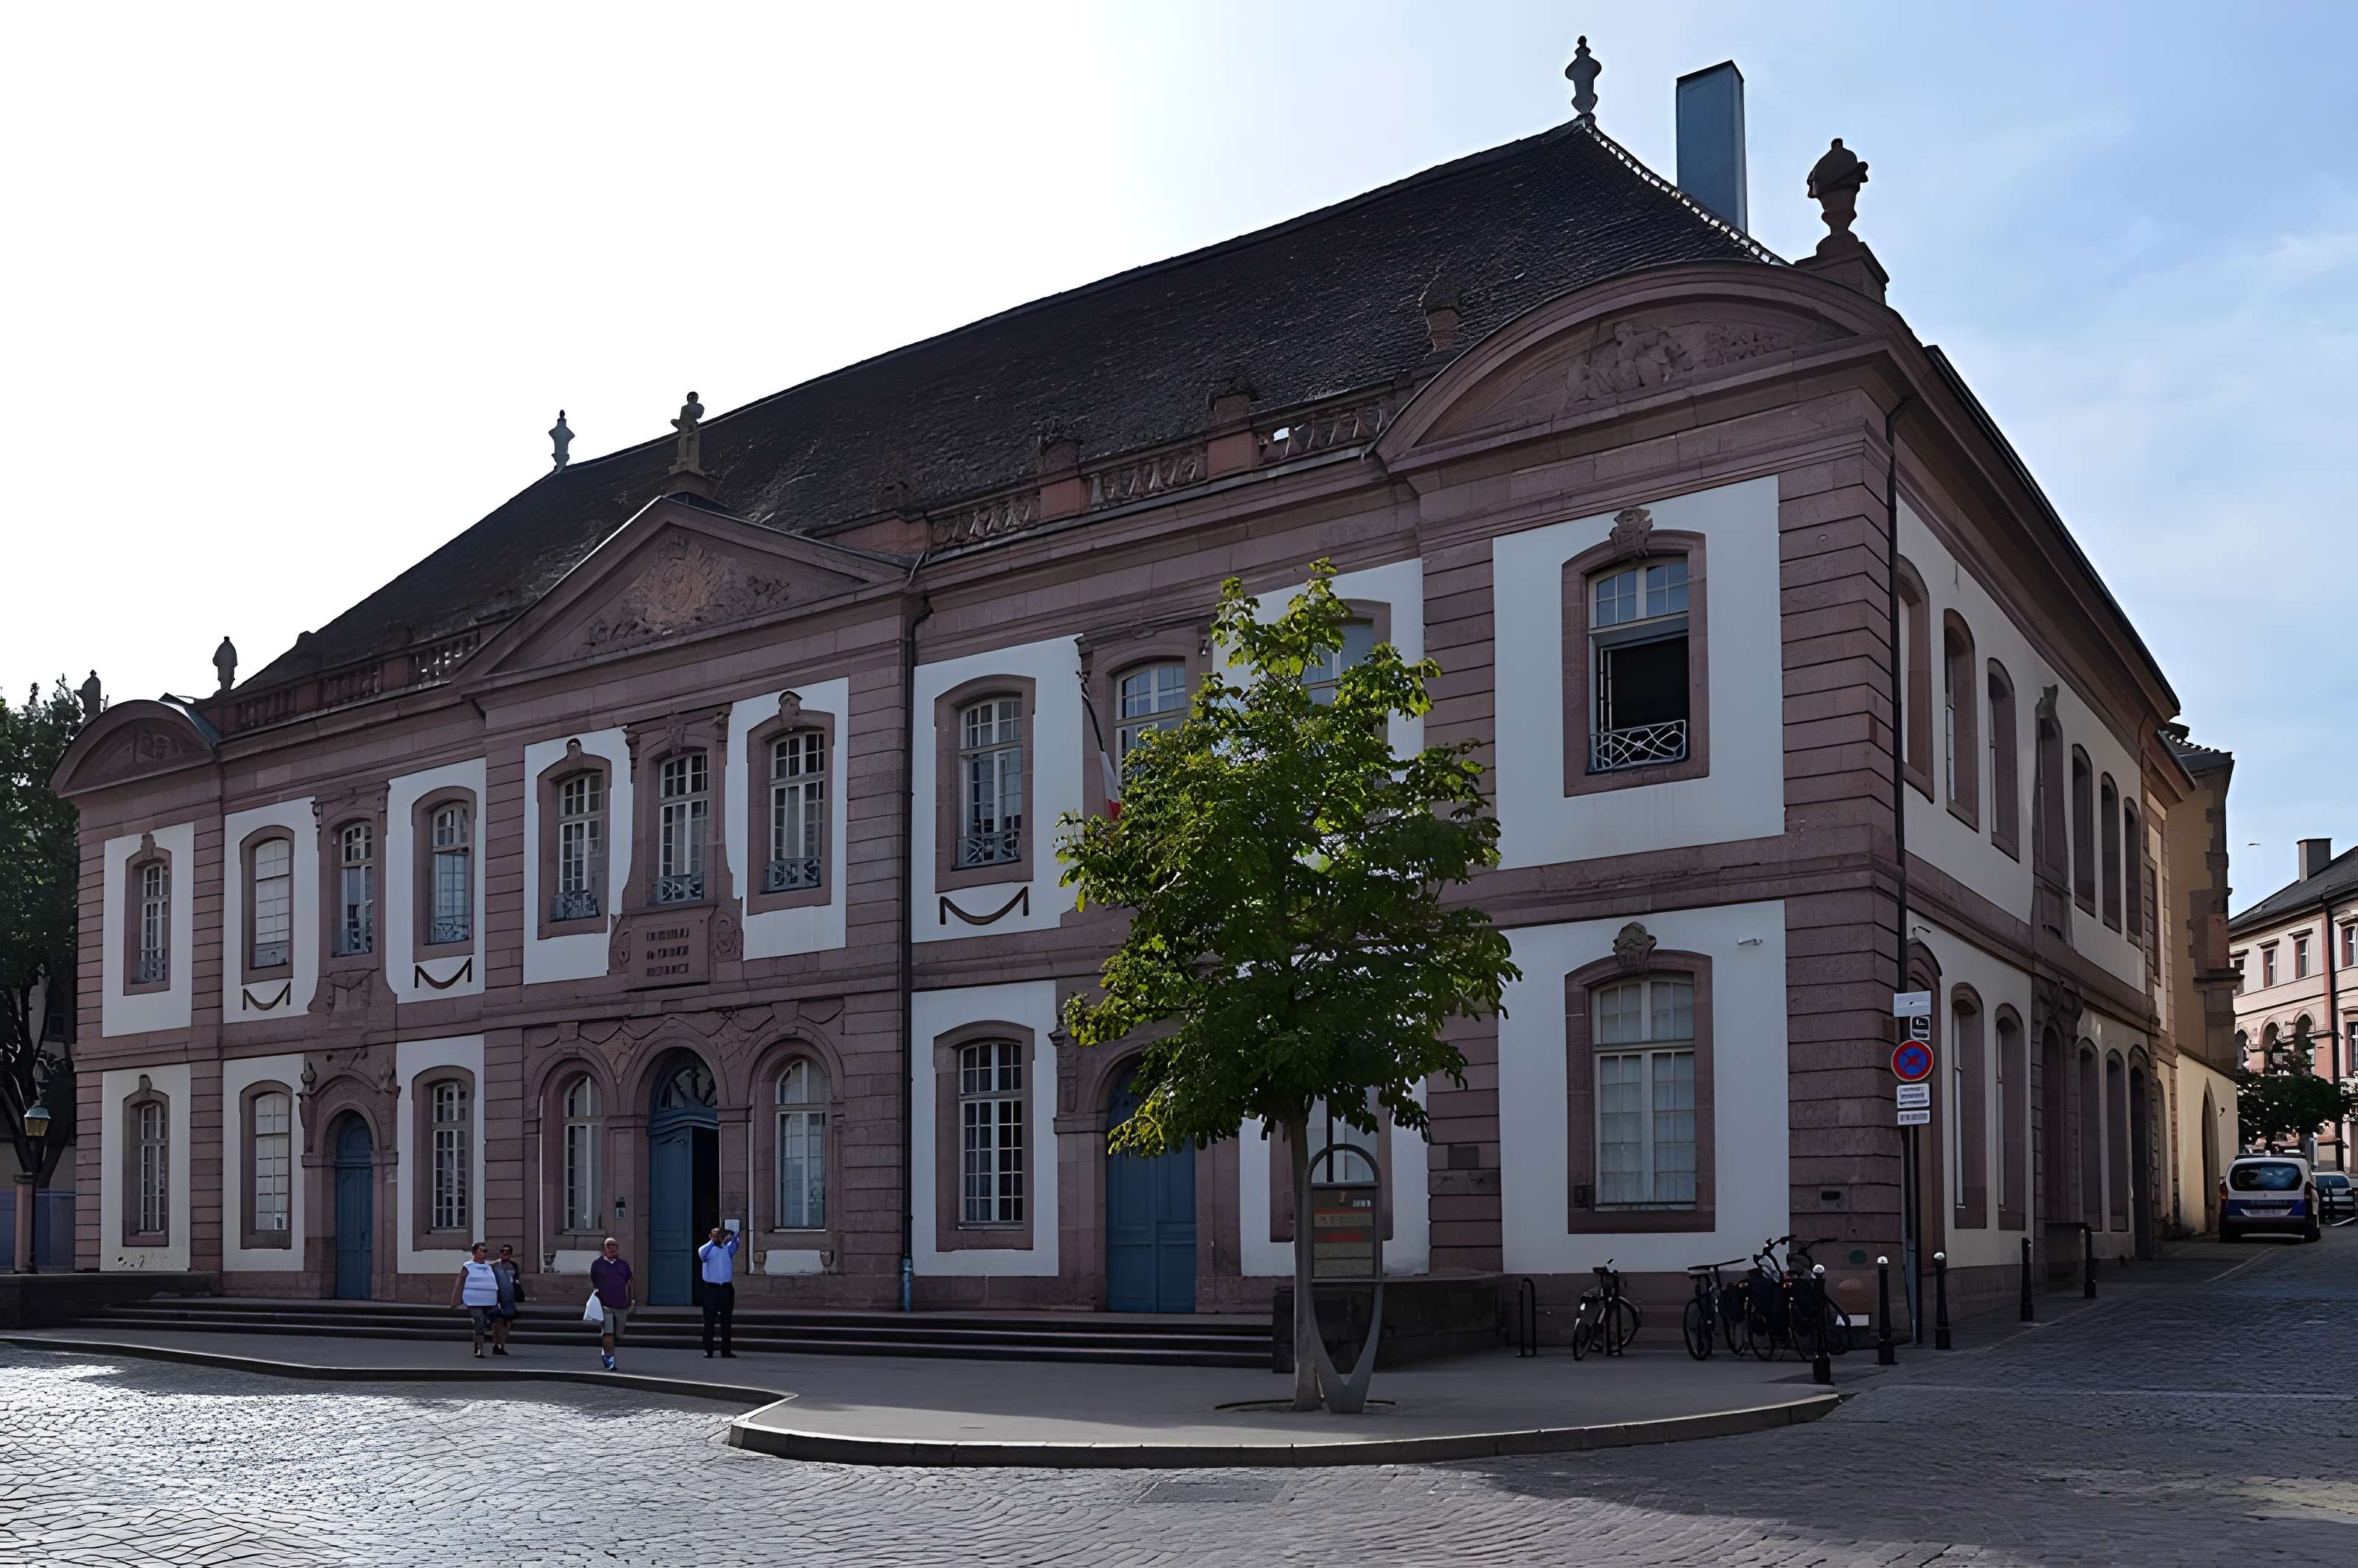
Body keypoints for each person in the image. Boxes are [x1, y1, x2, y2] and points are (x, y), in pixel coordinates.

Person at [589, 1236, 632, 1371]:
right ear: (604, 1249)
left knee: (618, 1335)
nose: (612, 1248)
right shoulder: (597, 1264)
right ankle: (610, 1359)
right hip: (605, 1304)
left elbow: (629, 1282)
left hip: (621, 1304)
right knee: (609, 1332)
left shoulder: (623, 1265)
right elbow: (594, 1281)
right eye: (609, 1246)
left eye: (614, 1245)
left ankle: (606, 1351)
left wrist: (630, 1299)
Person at [449, 1242, 500, 1359]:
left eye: (485, 1251)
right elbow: (460, 1282)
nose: (484, 1253)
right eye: (481, 1250)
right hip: (474, 1300)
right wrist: (455, 1299)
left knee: (482, 1323)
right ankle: (480, 1350)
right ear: (474, 1253)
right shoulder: (468, 1266)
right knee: (479, 1320)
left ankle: (478, 1343)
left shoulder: (489, 1267)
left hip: (489, 1301)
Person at [697, 1225, 740, 1358]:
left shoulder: (727, 1249)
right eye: (714, 1235)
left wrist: (733, 1234)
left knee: (726, 1321)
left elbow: (736, 1243)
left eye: (718, 1235)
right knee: (709, 1321)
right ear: (710, 1236)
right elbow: (704, 1257)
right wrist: (713, 1242)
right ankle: (708, 1350)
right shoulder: (705, 1248)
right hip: (711, 1289)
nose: (716, 1238)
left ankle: (726, 1350)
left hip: (726, 1288)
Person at [489, 1244, 526, 1356]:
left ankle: (502, 1345)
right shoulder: (495, 1266)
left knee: (508, 1323)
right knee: (497, 1322)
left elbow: (516, 1280)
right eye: (503, 1252)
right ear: (500, 1253)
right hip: (497, 1298)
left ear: (511, 1254)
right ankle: (496, 1345)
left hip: (509, 1298)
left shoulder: (513, 1265)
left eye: (508, 1252)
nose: (505, 1254)